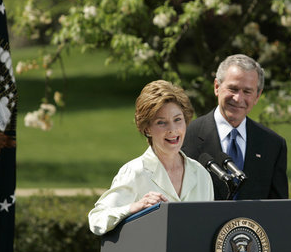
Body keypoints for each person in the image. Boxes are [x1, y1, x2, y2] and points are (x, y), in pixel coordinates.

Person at [88, 80, 214, 236]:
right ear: (147, 128)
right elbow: (96, 219)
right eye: (161, 122)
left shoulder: (201, 174)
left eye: (177, 120)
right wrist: (135, 207)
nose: (172, 130)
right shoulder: (135, 172)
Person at [182, 54, 288, 200]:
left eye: (247, 91)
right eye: (233, 89)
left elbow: (279, 210)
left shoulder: (273, 145)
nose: (238, 98)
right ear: (217, 87)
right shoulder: (185, 137)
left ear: (257, 96)